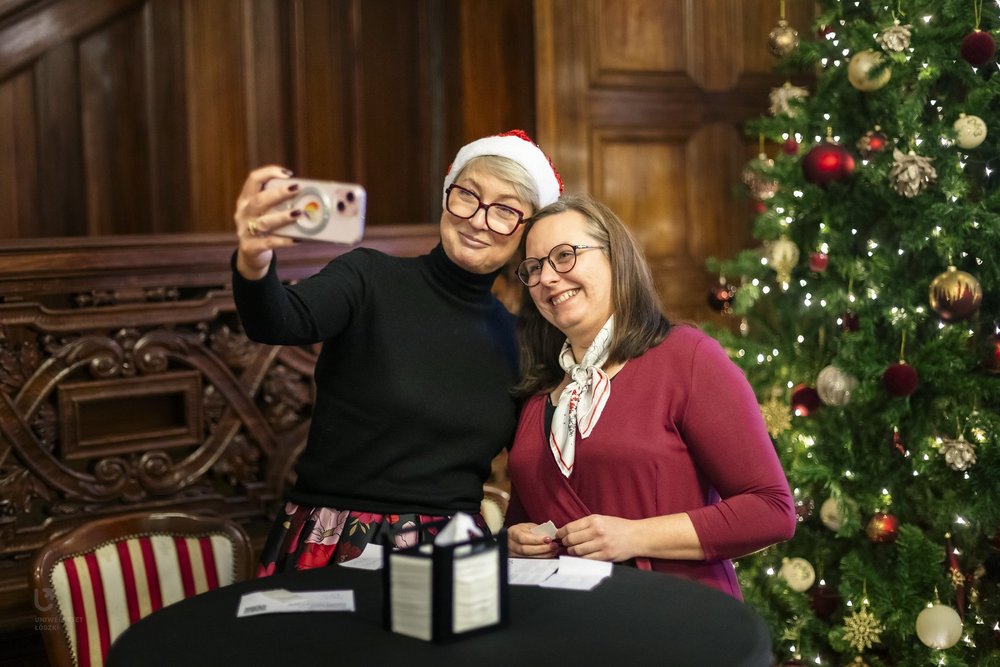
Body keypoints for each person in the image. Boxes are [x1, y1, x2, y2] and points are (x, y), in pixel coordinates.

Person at [231, 130, 563, 575]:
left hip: (455, 558)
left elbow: (535, 466)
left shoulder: (521, 340)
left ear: (525, 231)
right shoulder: (369, 278)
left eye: (506, 210)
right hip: (334, 542)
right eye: (468, 195)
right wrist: (254, 263)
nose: (479, 220)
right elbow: (278, 320)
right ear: (447, 197)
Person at [504, 195, 795, 599]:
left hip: (674, 619)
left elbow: (772, 510)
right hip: (570, 629)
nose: (548, 278)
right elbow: (525, 517)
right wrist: (515, 541)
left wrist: (634, 536)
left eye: (565, 256)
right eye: (534, 268)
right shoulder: (538, 395)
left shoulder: (687, 358)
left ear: (615, 259)